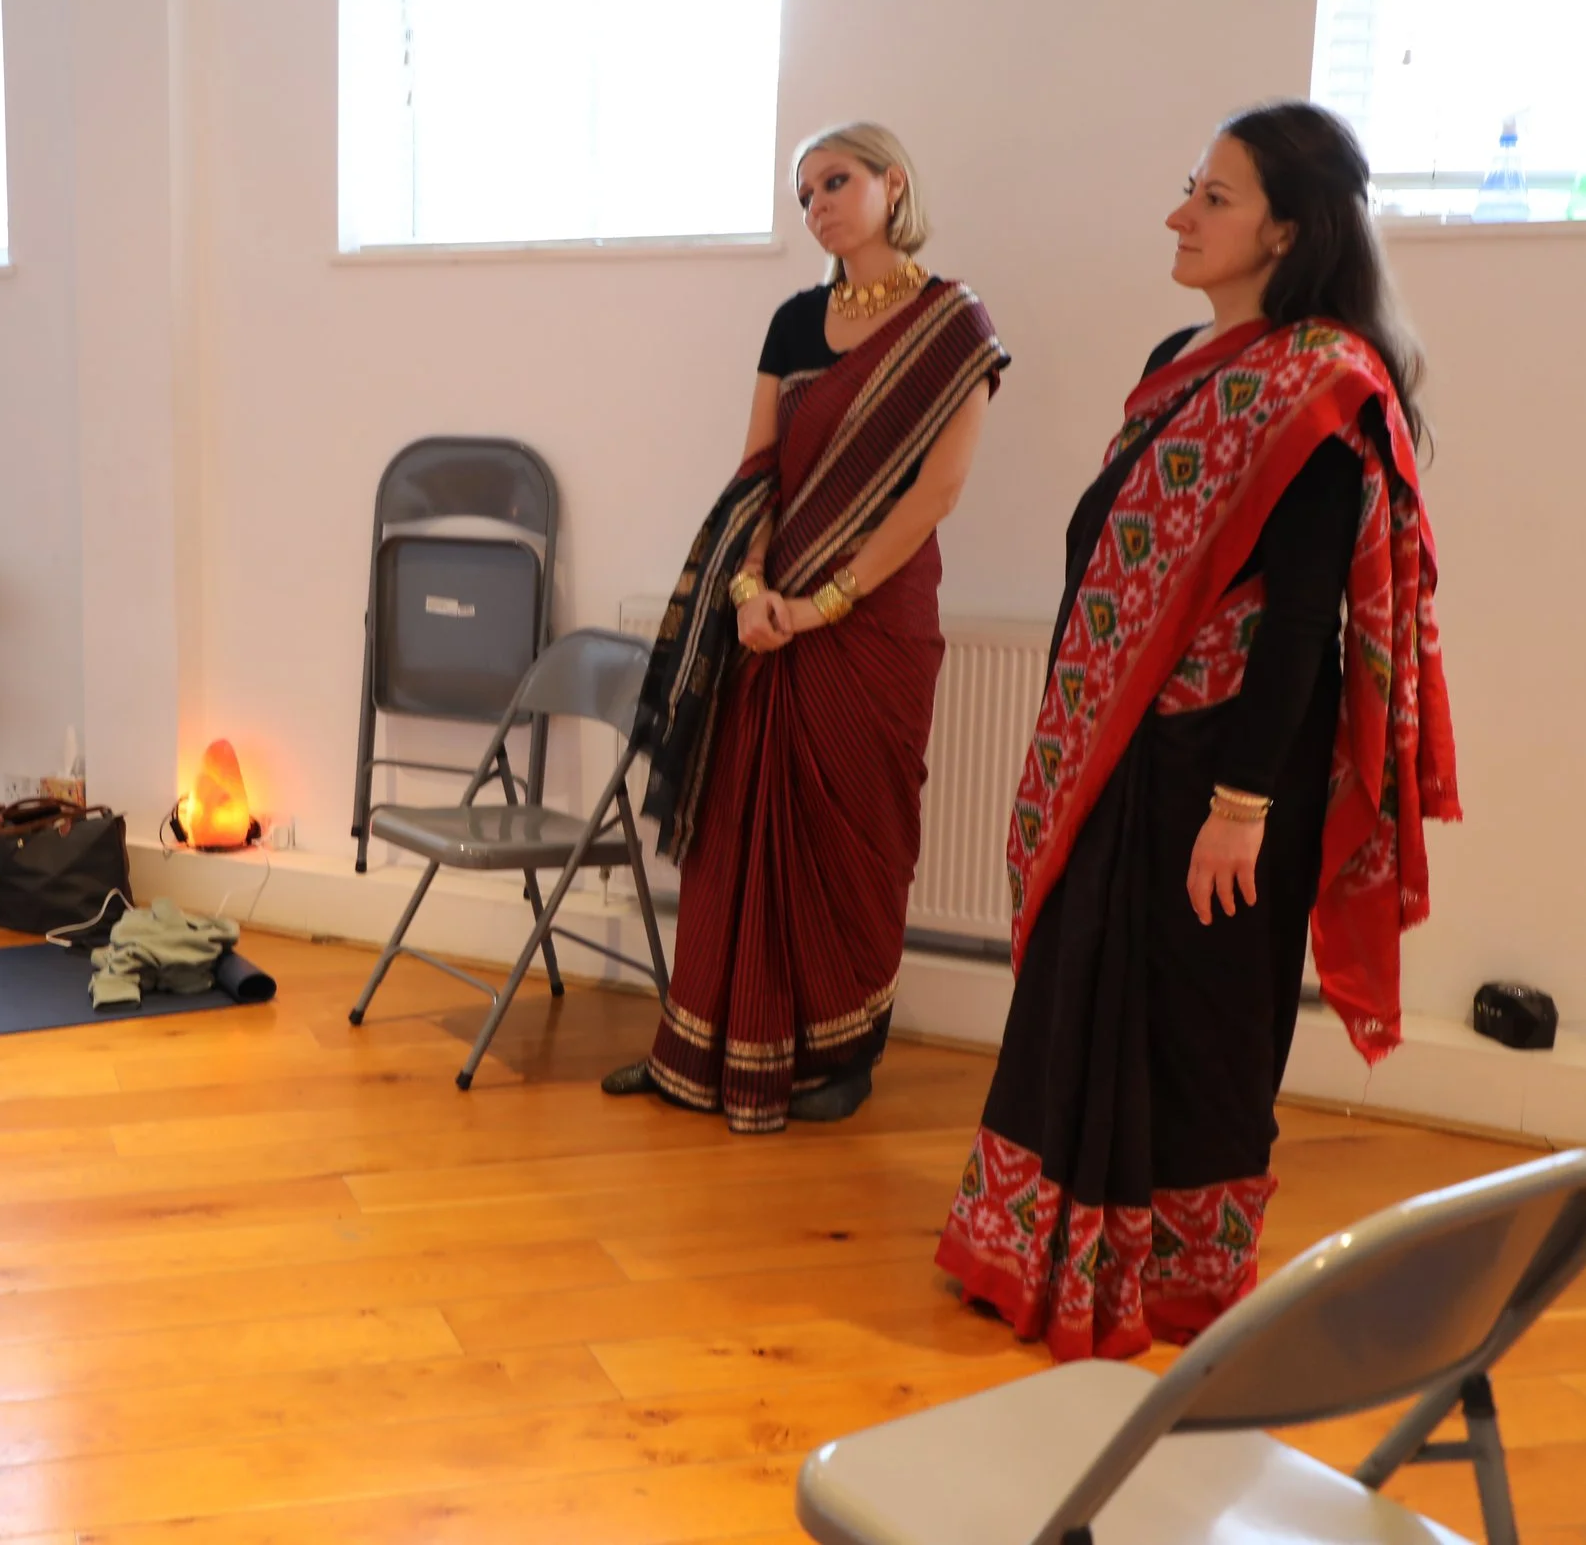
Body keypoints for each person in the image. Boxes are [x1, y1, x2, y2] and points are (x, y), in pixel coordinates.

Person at [935, 101, 1459, 1361]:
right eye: (1190, 188)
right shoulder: (1187, 356)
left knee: (1194, 1022)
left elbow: (1297, 633)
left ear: (1288, 226)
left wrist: (1239, 809)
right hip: (1120, 762)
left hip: (1222, 773)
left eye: (1212, 197)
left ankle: (1161, 1279)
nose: (1181, 213)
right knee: (1074, 994)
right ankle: (1043, 1248)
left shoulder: (1322, 388)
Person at [604, 123, 1008, 1134]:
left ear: (891, 184)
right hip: (766, 614)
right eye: (803, 194)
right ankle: (694, 1046)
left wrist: (827, 600)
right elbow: (760, 467)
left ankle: (841, 1053)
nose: (818, 203)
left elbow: (936, 492)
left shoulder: (951, 326)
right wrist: (747, 591)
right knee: (735, 824)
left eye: (836, 181)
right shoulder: (791, 322)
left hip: (873, 621)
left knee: (854, 829)